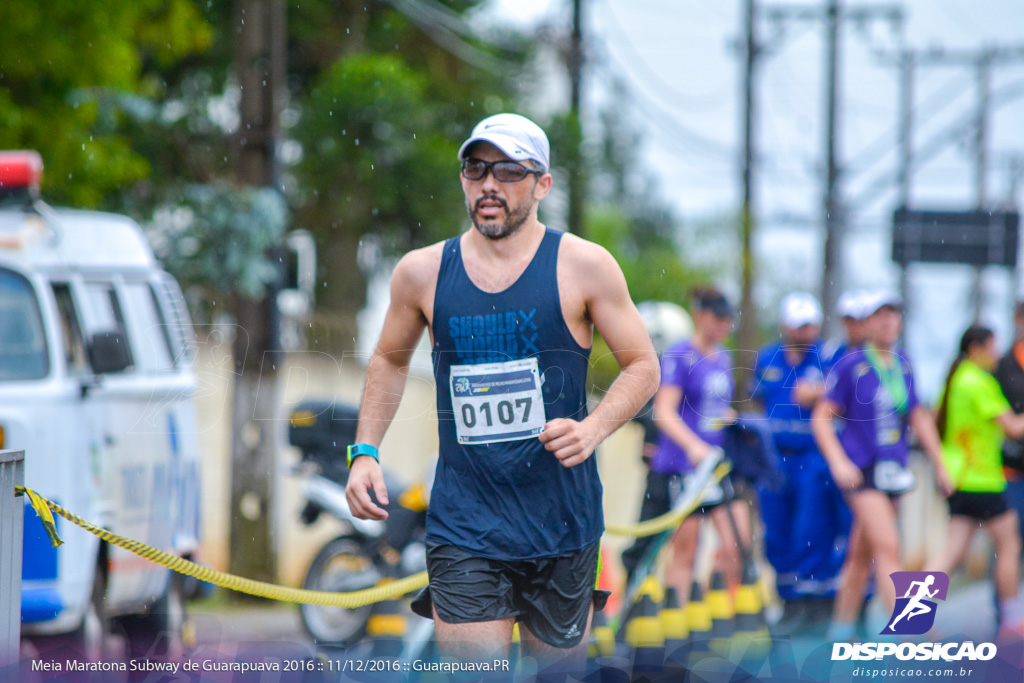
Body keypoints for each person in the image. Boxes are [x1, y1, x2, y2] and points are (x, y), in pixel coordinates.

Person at [343, 113, 660, 669]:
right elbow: (389, 362)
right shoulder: (421, 273)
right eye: (476, 168)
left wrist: (593, 428)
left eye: (509, 170)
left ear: (542, 185)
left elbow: (642, 366)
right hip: (465, 525)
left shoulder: (584, 266)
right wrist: (364, 451)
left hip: (563, 522)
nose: (489, 184)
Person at [811, 291, 952, 641]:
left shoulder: (903, 363)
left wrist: (941, 463)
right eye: (880, 316)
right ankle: (914, 631)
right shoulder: (851, 364)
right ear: (867, 323)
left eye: (894, 315)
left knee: (861, 557)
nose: (888, 322)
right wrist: (839, 462)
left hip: (895, 470)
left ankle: (839, 632)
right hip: (863, 471)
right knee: (889, 547)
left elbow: (917, 415)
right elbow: (821, 418)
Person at [751, 292, 848, 634]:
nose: (804, 332)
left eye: (809, 325)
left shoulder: (830, 356)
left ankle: (816, 603)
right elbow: (762, 402)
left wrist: (820, 391)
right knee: (775, 532)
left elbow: (842, 395)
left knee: (810, 531)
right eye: (798, 325)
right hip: (776, 459)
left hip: (814, 458)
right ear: (784, 326)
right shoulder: (768, 358)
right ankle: (788, 601)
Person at [653, 288, 751, 601]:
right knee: (687, 551)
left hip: (717, 468)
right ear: (700, 316)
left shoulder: (723, 357)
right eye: (718, 318)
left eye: (729, 319)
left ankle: (712, 611)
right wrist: (694, 446)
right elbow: (663, 412)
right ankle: (676, 624)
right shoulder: (681, 355)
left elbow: (710, 407)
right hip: (684, 467)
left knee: (739, 543)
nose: (725, 325)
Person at [930, 325, 1024, 638]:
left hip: (959, 478)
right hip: (982, 479)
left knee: (951, 552)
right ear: (976, 349)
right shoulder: (978, 381)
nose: (996, 355)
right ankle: (1011, 621)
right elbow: (1012, 427)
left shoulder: (956, 379)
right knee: (1009, 544)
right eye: (992, 348)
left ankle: (909, 617)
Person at [993, 302, 1024, 557]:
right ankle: (909, 598)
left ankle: (910, 598)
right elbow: (1011, 427)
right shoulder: (1002, 367)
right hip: (1004, 471)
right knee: (1009, 546)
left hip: (976, 481)